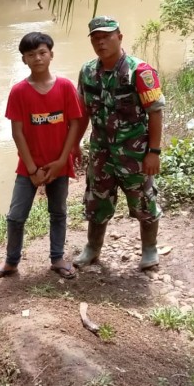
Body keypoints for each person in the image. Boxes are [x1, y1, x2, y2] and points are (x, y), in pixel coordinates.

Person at [0, 32, 83, 281]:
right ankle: (10, 262)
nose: (37, 58)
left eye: (42, 52)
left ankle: (57, 258)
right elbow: (17, 132)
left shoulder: (65, 87)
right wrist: (31, 169)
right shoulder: (19, 92)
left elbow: (74, 124)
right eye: (31, 55)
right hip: (28, 167)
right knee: (16, 216)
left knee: (58, 212)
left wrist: (62, 160)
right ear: (24, 60)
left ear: (51, 54)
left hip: (59, 165)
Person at [72, 16, 165, 270]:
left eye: (107, 37)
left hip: (134, 154)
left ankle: (149, 250)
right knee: (96, 201)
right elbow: (83, 113)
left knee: (143, 202)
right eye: (96, 38)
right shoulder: (88, 71)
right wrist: (75, 143)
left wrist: (153, 152)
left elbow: (155, 112)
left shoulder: (140, 71)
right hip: (101, 153)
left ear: (120, 37)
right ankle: (92, 248)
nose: (101, 43)